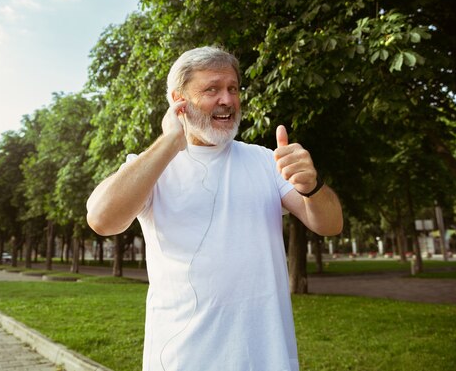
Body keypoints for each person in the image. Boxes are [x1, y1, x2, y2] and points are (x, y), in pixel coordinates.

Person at [86, 46, 343, 371]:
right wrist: (170, 141)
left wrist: (312, 187)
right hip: (183, 360)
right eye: (212, 89)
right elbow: (101, 218)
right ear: (179, 99)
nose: (227, 99)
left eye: (233, 89)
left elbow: (330, 224)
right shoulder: (151, 167)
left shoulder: (266, 161)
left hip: (267, 359)